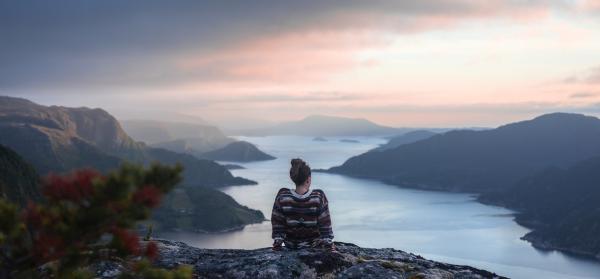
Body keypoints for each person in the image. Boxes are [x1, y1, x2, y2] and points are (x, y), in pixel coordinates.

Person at [271, 158, 335, 251]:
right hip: (314, 247)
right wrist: (330, 247)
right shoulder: (318, 197)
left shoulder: (283, 196)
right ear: (308, 179)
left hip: (290, 246)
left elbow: (278, 224)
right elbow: (325, 225)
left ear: (293, 178)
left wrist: (277, 245)